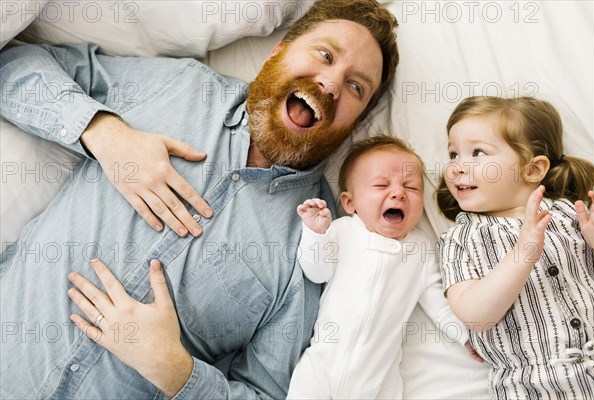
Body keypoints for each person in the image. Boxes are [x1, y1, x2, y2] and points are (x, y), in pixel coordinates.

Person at [0, 0, 399, 398]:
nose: (331, 83)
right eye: (325, 55)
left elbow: (266, 391)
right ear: (278, 51)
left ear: (355, 125)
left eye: (356, 87)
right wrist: (102, 132)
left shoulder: (314, 246)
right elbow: (13, 65)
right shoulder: (181, 88)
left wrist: (174, 369)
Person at [436, 96, 594, 399]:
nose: (457, 167)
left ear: (533, 169)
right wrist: (522, 255)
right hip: (532, 387)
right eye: (453, 154)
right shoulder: (459, 240)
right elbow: (476, 316)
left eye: (477, 152)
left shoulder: (570, 215)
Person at [287, 136, 470, 399]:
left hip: (378, 382)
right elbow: (317, 272)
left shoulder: (419, 250)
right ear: (350, 203)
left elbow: (438, 303)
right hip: (321, 367)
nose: (398, 192)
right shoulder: (342, 231)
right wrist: (315, 233)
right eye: (381, 185)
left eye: (412, 187)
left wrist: (465, 336)